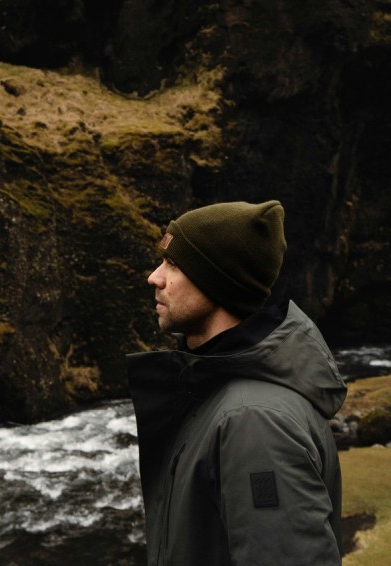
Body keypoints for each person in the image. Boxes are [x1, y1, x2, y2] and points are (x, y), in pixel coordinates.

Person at [127, 200, 346, 565]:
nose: (155, 277)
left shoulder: (254, 421)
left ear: (217, 281)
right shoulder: (218, 390)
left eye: (174, 264)